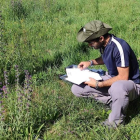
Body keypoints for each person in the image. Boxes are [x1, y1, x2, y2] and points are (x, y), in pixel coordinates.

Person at [71, 20, 140, 128]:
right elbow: (106, 57)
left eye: (91, 42)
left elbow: (123, 77)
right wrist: (90, 62)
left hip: (131, 84)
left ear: (101, 38)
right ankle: (113, 102)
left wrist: (99, 84)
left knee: (117, 87)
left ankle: (115, 122)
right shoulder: (104, 45)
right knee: (77, 88)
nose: (89, 45)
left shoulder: (120, 47)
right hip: (112, 78)